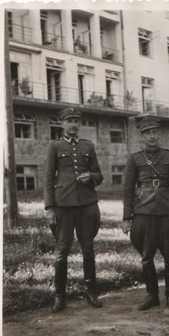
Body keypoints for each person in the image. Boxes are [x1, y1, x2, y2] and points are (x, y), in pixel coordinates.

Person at [122, 115, 169, 311]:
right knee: (147, 256)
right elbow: (128, 189)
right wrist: (127, 217)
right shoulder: (135, 159)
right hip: (144, 212)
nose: (152, 136)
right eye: (148, 133)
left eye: (155, 132)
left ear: (159, 134)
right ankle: (152, 295)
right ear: (142, 136)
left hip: (167, 212)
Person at [44, 107, 104, 313]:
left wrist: (91, 177)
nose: (73, 125)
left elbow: (98, 174)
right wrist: (49, 207)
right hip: (63, 205)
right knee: (62, 251)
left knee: (88, 248)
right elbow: (48, 178)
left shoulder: (88, 145)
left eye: (76, 121)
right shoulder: (55, 146)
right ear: (62, 124)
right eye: (69, 121)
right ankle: (60, 296)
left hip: (86, 204)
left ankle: (91, 292)